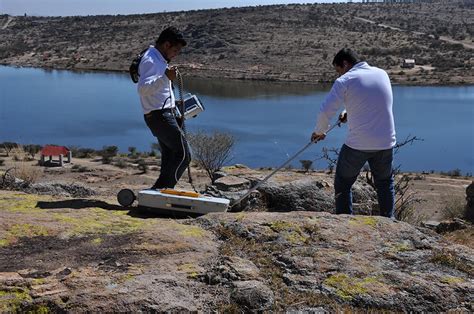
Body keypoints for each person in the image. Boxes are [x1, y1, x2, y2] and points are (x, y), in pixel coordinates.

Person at [311, 48, 396, 218]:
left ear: (345, 63)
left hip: (358, 145)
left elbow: (325, 111)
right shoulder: (382, 74)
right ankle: (390, 220)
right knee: (385, 183)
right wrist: (347, 114)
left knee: (343, 183)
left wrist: (319, 132)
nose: (338, 74)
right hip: (386, 142)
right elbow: (371, 101)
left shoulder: (345, 80)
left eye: (338, 70)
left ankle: (345, 221)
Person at [137, 26, 191, 189]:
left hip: (163, 114)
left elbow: (159, 91)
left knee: (170, 157)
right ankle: (158, 193)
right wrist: (166, 77)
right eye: (175, 50)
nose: (176, 54)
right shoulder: (151, 60)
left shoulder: (158, 59)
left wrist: (175, 104)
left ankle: (159, 195)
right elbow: (143, 89)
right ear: (167, 45)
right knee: (183, 154)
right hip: (160, 116)